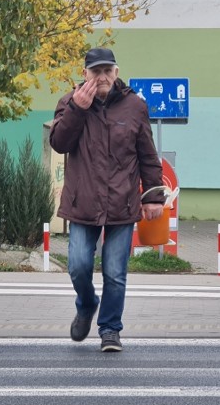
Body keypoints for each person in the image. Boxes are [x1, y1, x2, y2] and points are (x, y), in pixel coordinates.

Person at [49, 47, 165, 352]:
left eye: (107, 71)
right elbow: (59, 144)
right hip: (82, 202)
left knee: (115, 272)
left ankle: (110, 329)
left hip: (122, 203)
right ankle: (87, 304)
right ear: (85, 74)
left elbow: (148, 155)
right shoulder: (70, 102)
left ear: (116, 73)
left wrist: (153, 196)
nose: (101, 77)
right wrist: (77, 109)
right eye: (95, 71)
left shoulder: (134, 106)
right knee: (77, 265)